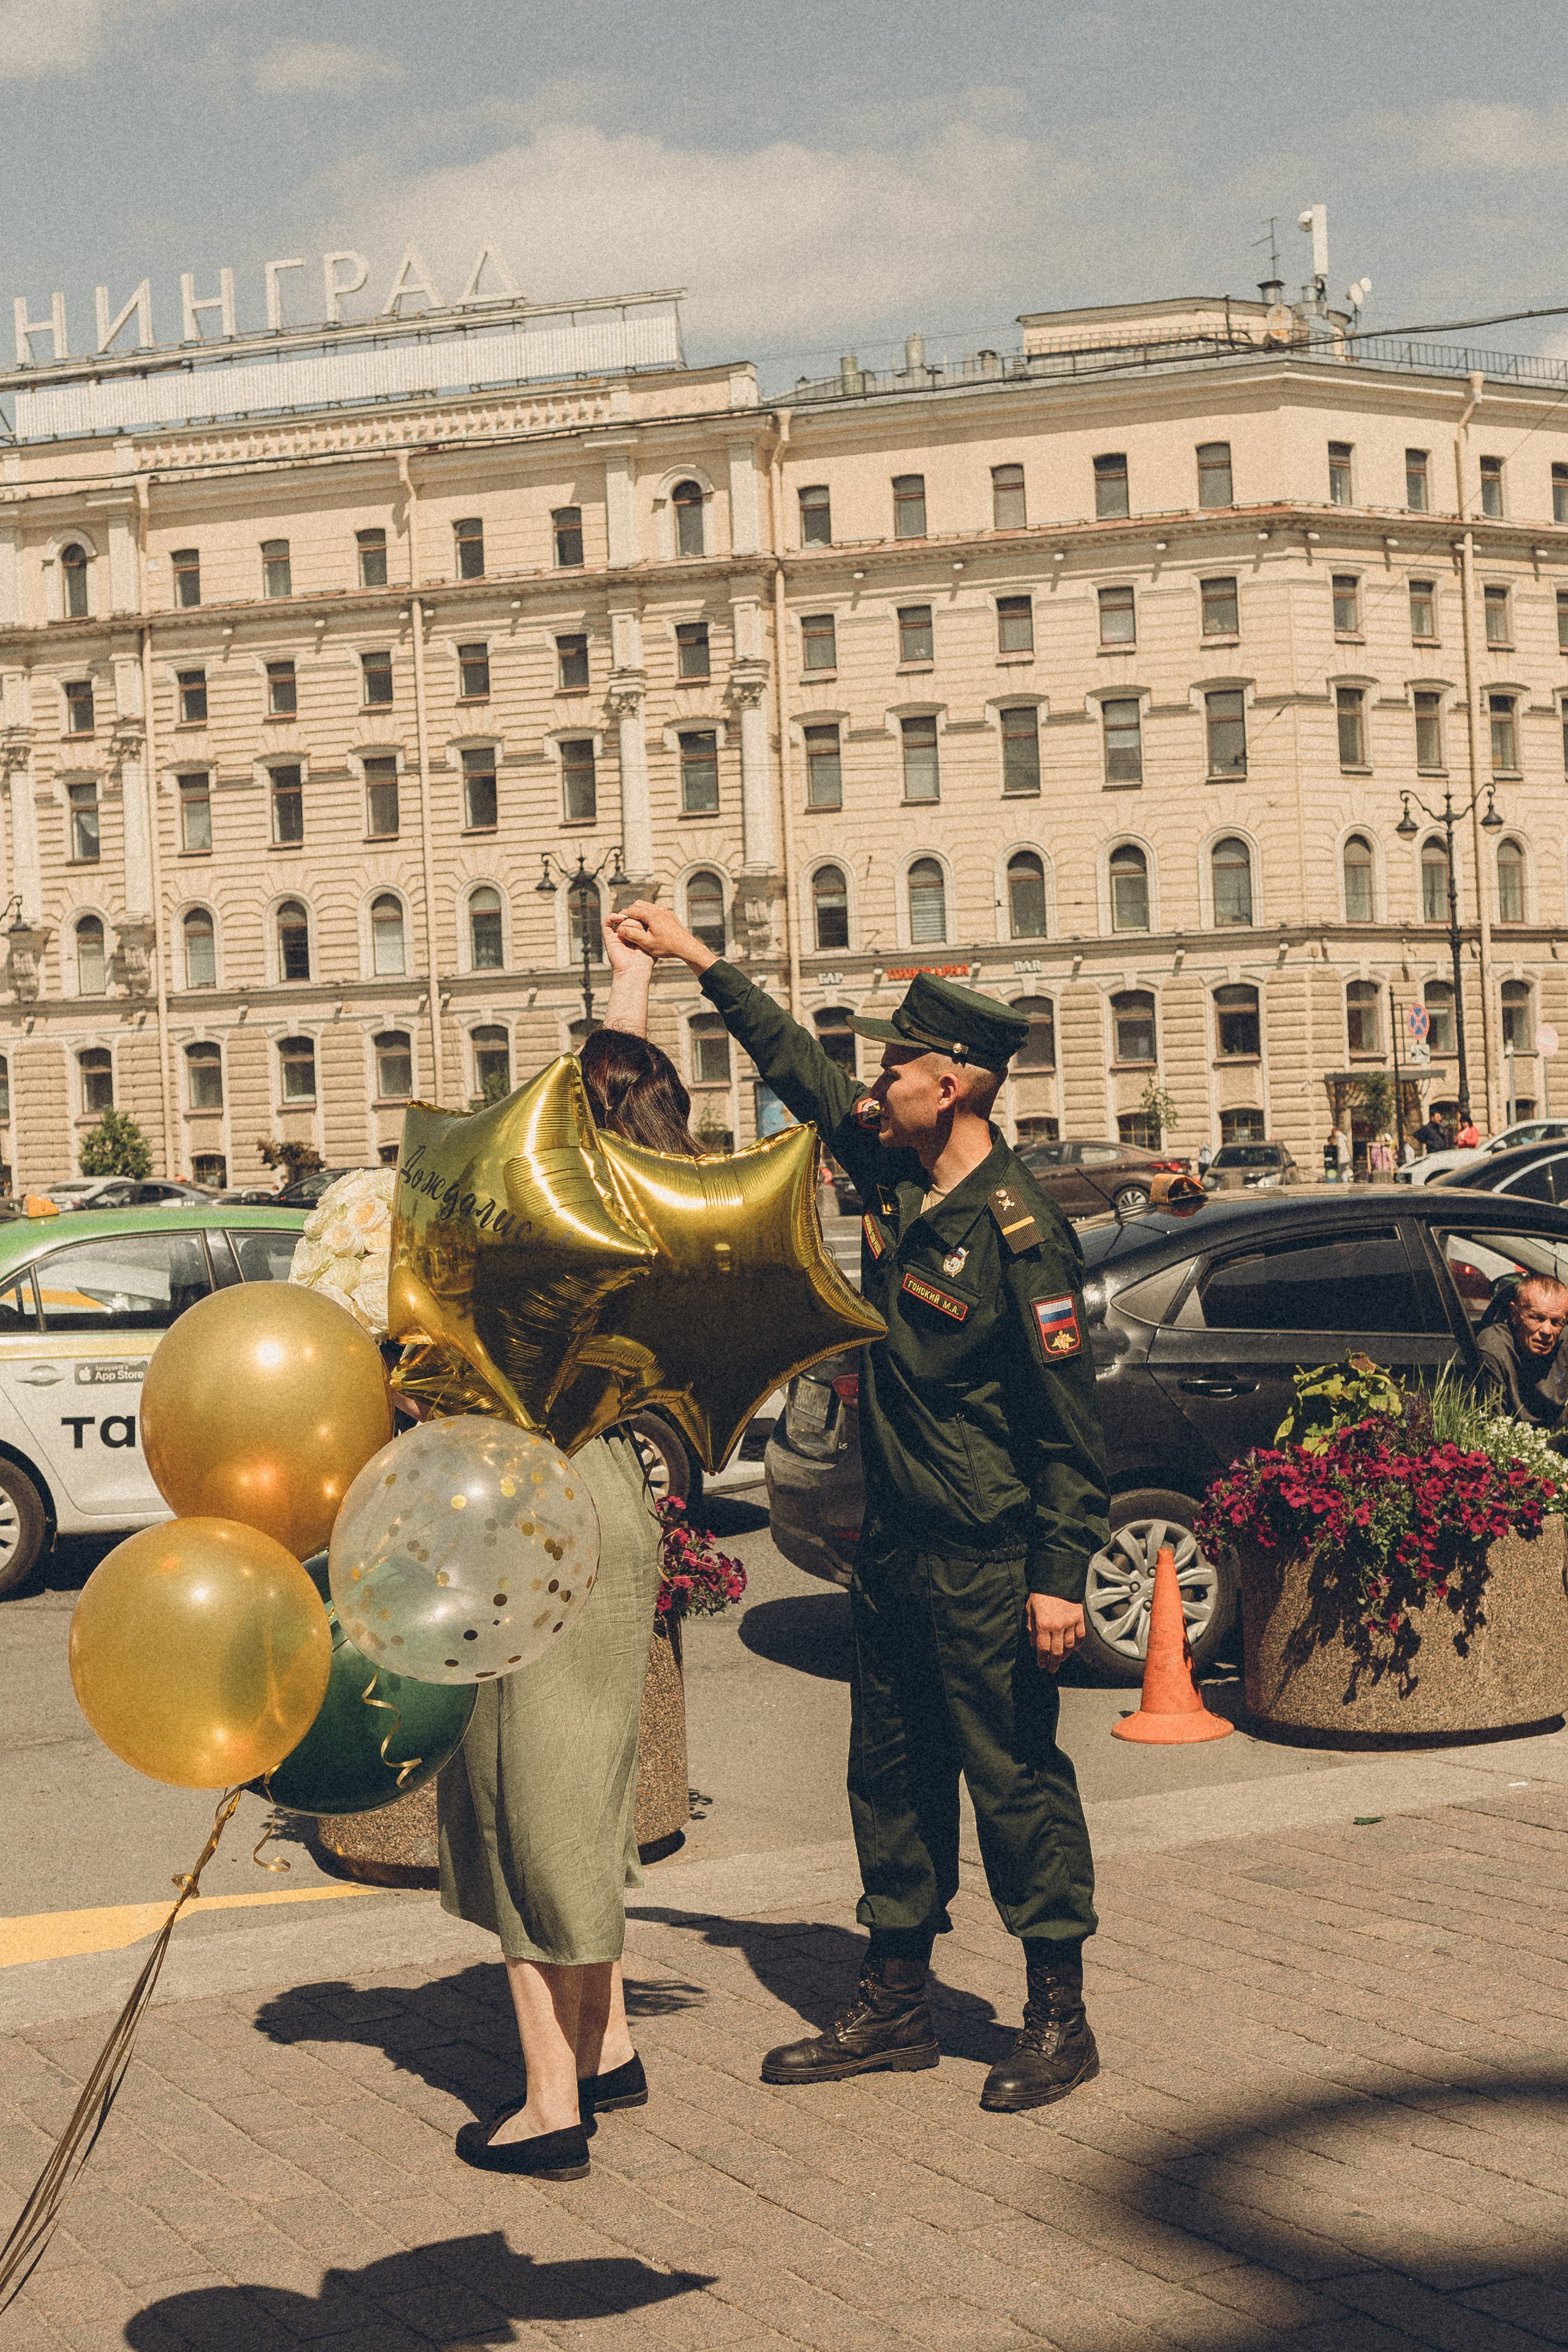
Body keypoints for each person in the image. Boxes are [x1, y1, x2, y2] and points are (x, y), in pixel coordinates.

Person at [613, 902, 1109, 2114]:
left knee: (1012, 1783)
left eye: (895, 1063)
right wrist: (694, 959)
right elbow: (796, 1059)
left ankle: (1057, 2012)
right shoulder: (888, 1167)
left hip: (988, 1560)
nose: (873, 1078)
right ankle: (893, 2004)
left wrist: (1058, 1575)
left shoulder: (1019, 1238)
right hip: (890, 1549)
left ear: (953, 1085)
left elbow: (1067, 1435)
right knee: (887, 1777)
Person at [440, 929, 683, 2180]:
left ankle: (550, 2102)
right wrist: (634, 976)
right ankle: (610, 2046)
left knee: (518, 1803)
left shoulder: (557, 1223)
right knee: (584, 1788)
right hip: (614, 1497)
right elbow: (623, 1078)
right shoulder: (671, 1218)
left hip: (532, 1498)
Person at [1477, 1272, 1568, 1431]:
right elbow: (1492, 1429)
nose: (1547, 1331)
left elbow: (1560, 1379)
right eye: (1537, 1318)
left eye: (1556, 1322)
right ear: (1514, 1314)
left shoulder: (1564, 1343)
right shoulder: (1494, 1349)